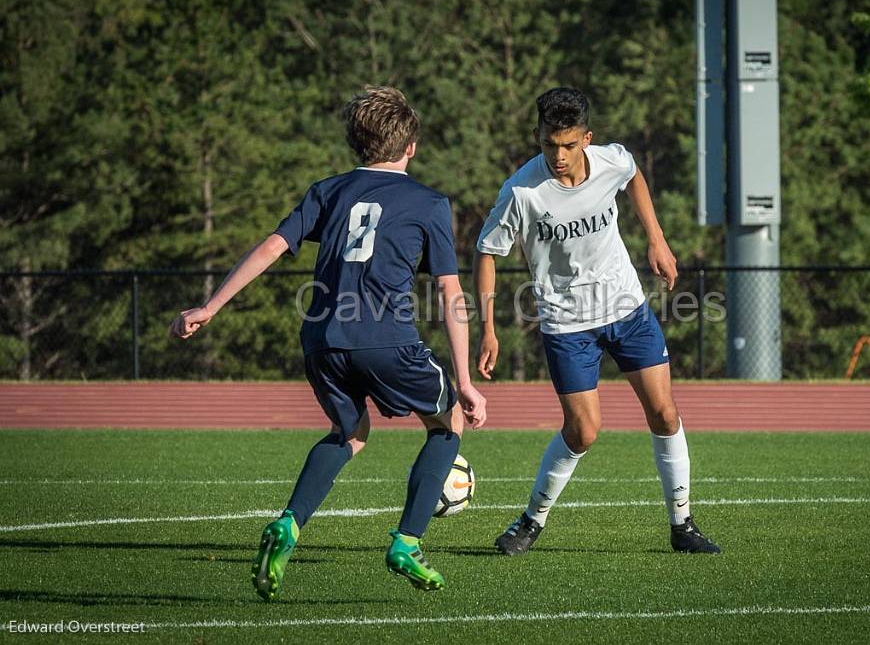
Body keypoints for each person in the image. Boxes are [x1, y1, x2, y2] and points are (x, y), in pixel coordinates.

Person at [170, 86, 487, 598]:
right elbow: (450, 291)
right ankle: (407, 541)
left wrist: (210, 306)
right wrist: (466, 381)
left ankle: (290, 524)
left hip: (320, 338)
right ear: (410, 147)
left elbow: (273, 245)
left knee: (350, 432)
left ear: (357, 144)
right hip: (385, 339)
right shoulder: (429, 203)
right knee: (448, 422)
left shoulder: (326, 190)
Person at [474, 87, 719, 556]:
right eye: (549, 144)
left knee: (665, 413)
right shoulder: (521, 191)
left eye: (568, 145)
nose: (559, 156)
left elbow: (635, 178)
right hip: (566, 324)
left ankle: (682, 524)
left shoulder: (610, 161)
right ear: (538, 137)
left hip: (626, 308)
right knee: (583, 430)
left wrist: (657, 239)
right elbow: (487, 251)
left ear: (587, 138)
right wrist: (488, 328)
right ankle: (531, 521)